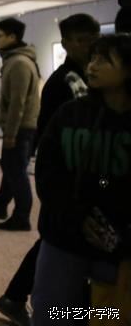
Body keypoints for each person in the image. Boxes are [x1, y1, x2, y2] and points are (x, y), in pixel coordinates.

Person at [0, 13, 99, 326]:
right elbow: (52, 144)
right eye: (82, 41)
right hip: (69, 193)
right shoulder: (64, 84)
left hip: (83, 195)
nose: (91, 52)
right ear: (66, 43)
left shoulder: (86, 86)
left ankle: (17, 297)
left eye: (95, 44)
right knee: (57, 255)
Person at [31, 34, 131, 325]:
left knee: (108, 313)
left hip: (118, 242)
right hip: (65, 235)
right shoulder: (71, 114)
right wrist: (75, 213)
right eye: (93, 57)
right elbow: (48, 171)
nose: (92, 65)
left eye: (104, 60)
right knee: (52, 313)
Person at [0, 17, 41, 231]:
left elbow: (17, 102)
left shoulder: (19, 63)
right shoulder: (15, 60)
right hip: (20, 126)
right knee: (11, 167)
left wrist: (11, 133)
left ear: (13, 37)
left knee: (17, 172)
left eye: (0, 35)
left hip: (21, 128)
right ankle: (0, 202)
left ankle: (22, 217)